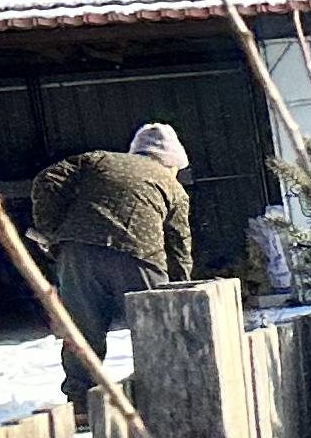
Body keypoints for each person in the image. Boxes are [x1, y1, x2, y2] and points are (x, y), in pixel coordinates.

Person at [28, 121, 193, 405]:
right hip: (139, 255)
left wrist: (52, 229)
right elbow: (179, 246)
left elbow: (48, 179)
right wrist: (178, 292)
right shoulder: (173, 187)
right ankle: (167, 397)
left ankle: (80, 402)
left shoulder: (99, 160)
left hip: (78, 253)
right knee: (155, 328)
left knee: (82, 331)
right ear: (171, 161)